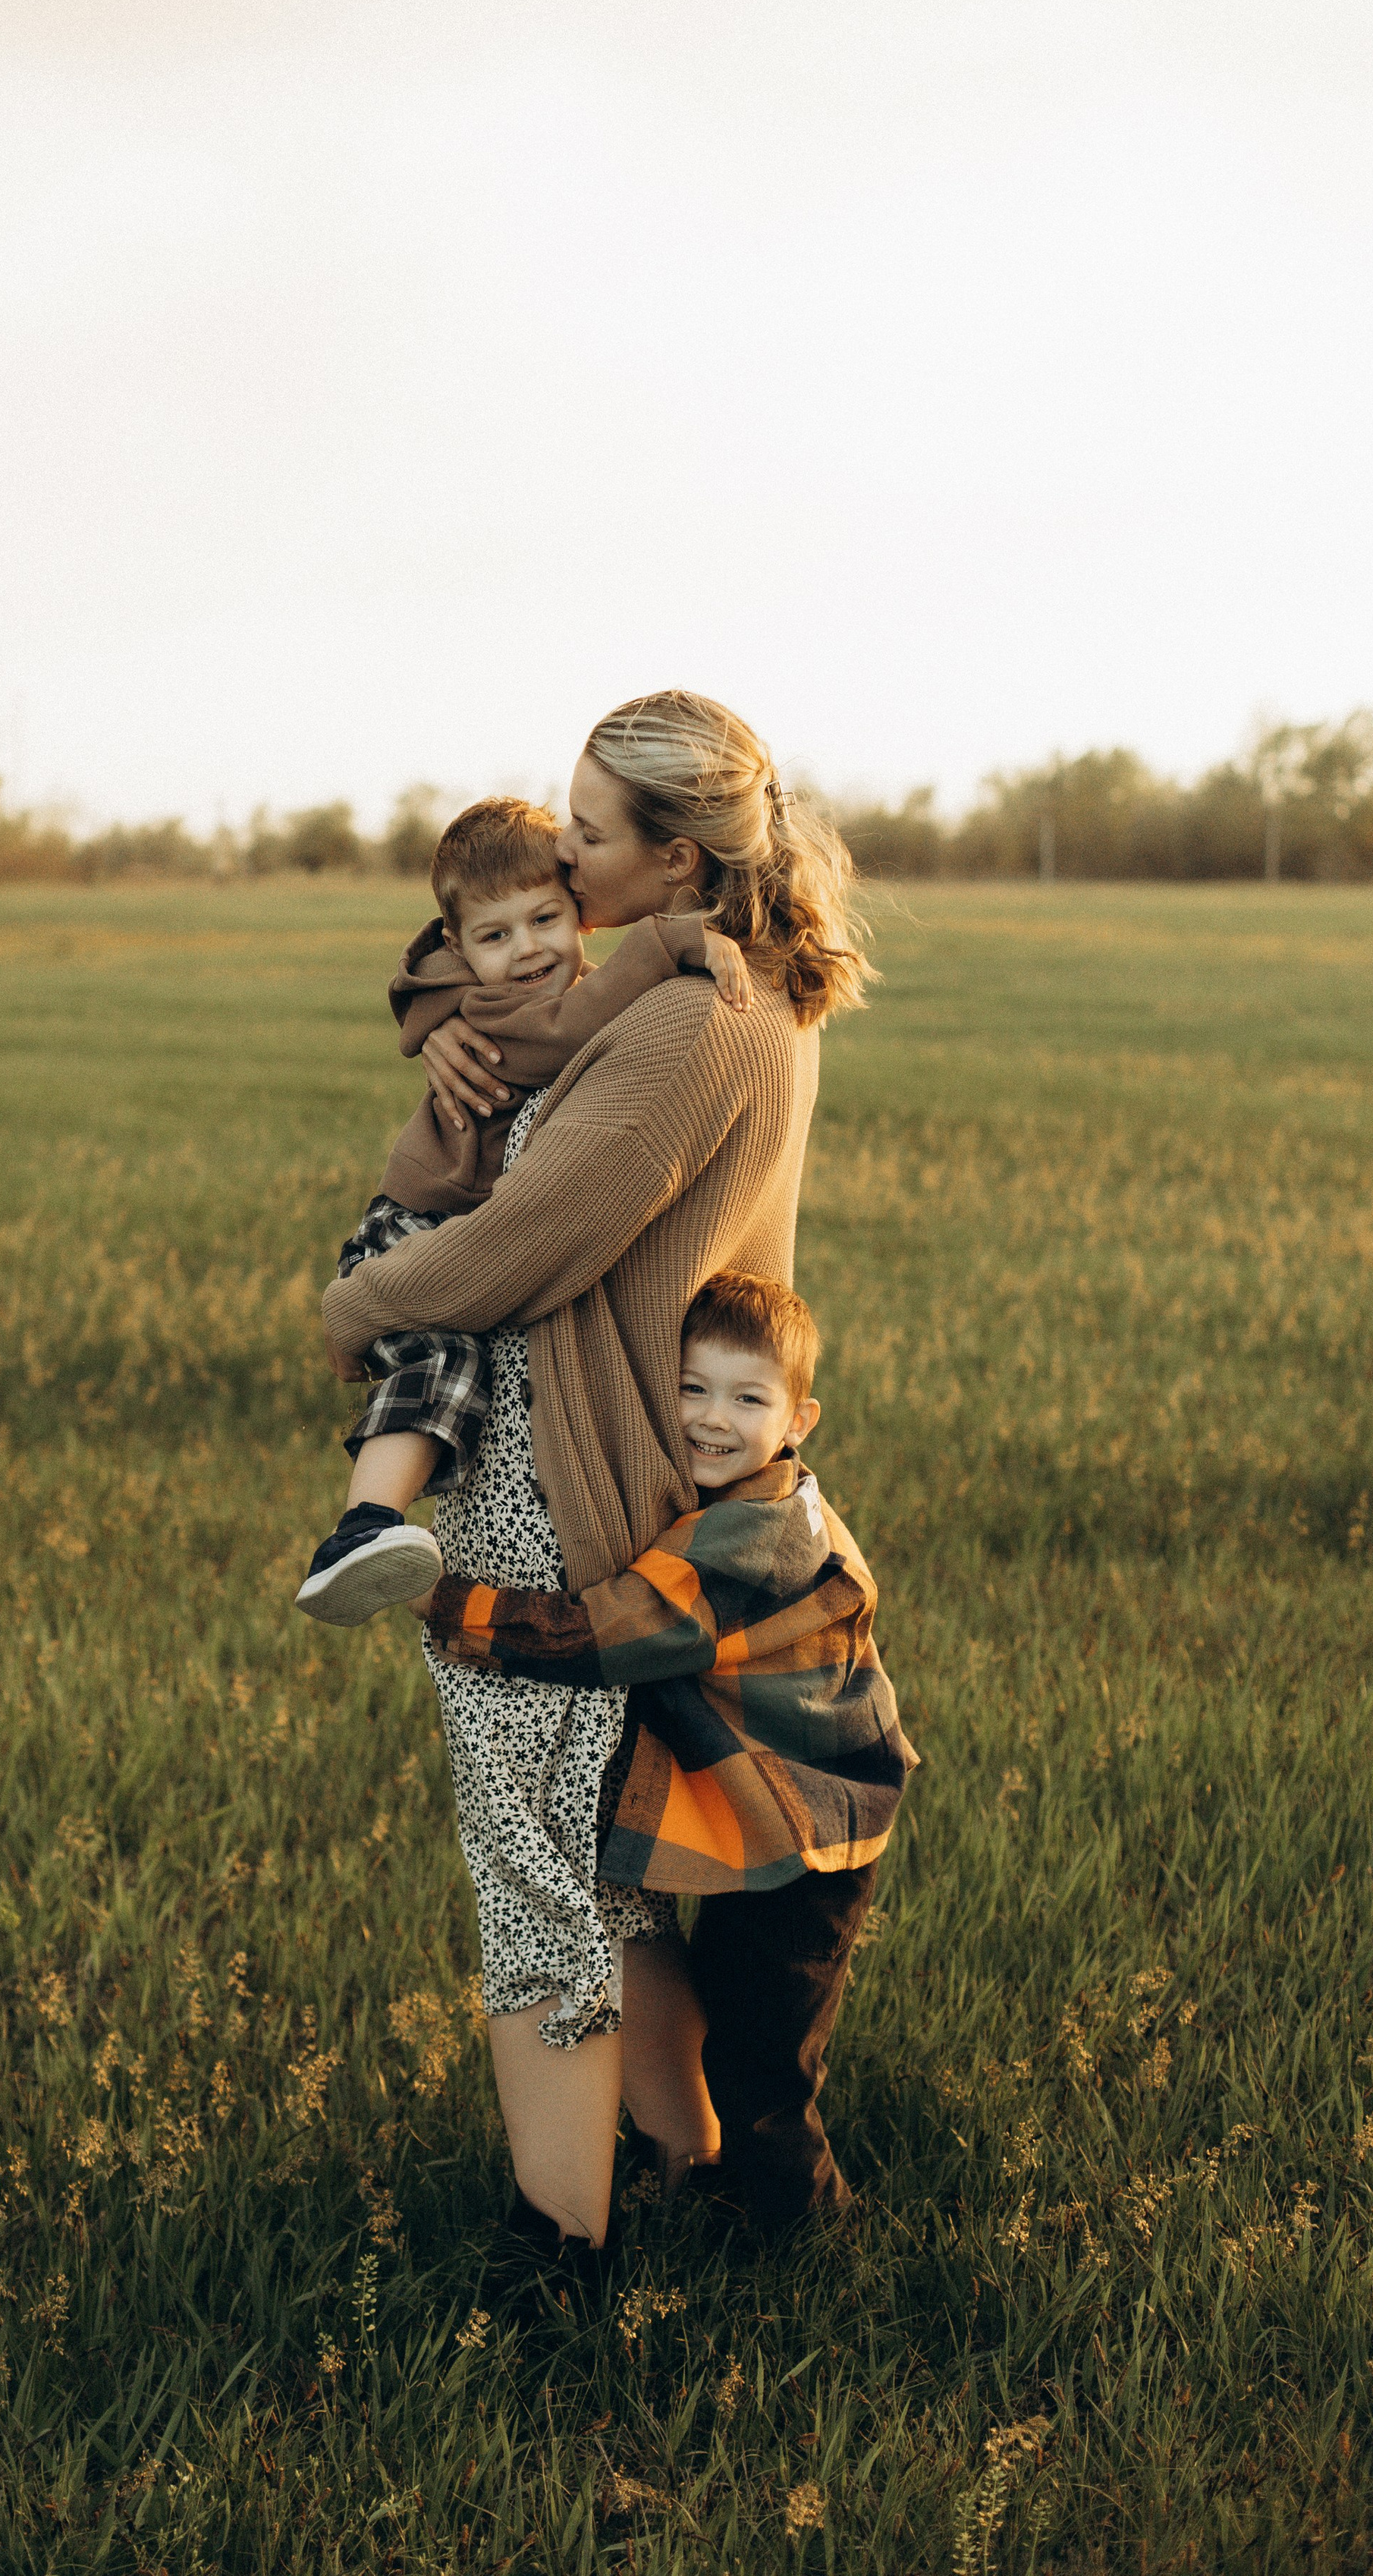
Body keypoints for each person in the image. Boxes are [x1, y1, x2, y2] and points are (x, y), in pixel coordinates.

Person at [322, 689, 875, 2268]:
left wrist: (354, 1307)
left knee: (532, 1872)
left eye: (587, 833)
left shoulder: (698, 1024)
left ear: (680, 860)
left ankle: (552, 2246)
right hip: (584, 1458)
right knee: (593, 1851)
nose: (562, 856)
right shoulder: (685, 986)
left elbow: (527, 1239)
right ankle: (692, 2162)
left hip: (564, 1488)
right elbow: (459, 979)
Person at [419, 1267, 916, 2235]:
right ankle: (708, 2178)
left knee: (761, 2064)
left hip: (813, 1845)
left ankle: (805, 2236)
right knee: (730, 2018)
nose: (711, 1418)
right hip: (780, 1825)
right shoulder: (750, 1501)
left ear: (798, 1418)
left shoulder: (751, 1538)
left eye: (747, 1397)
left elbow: (604, 1635)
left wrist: (447, 1607)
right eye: (691, 1389)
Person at [296, 794, 750, 1625]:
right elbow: (562, 1028)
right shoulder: (513, 1010)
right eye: (494, 937)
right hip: (420, 1222)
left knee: (465, 1377)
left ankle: (371, 1525)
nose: (528, 948)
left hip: (473, 1230)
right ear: (460, 951)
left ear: (577, 912)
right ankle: (363, 1525)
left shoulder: (541, 988)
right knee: (442, 1365)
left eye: (544, 919)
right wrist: (672, 941)